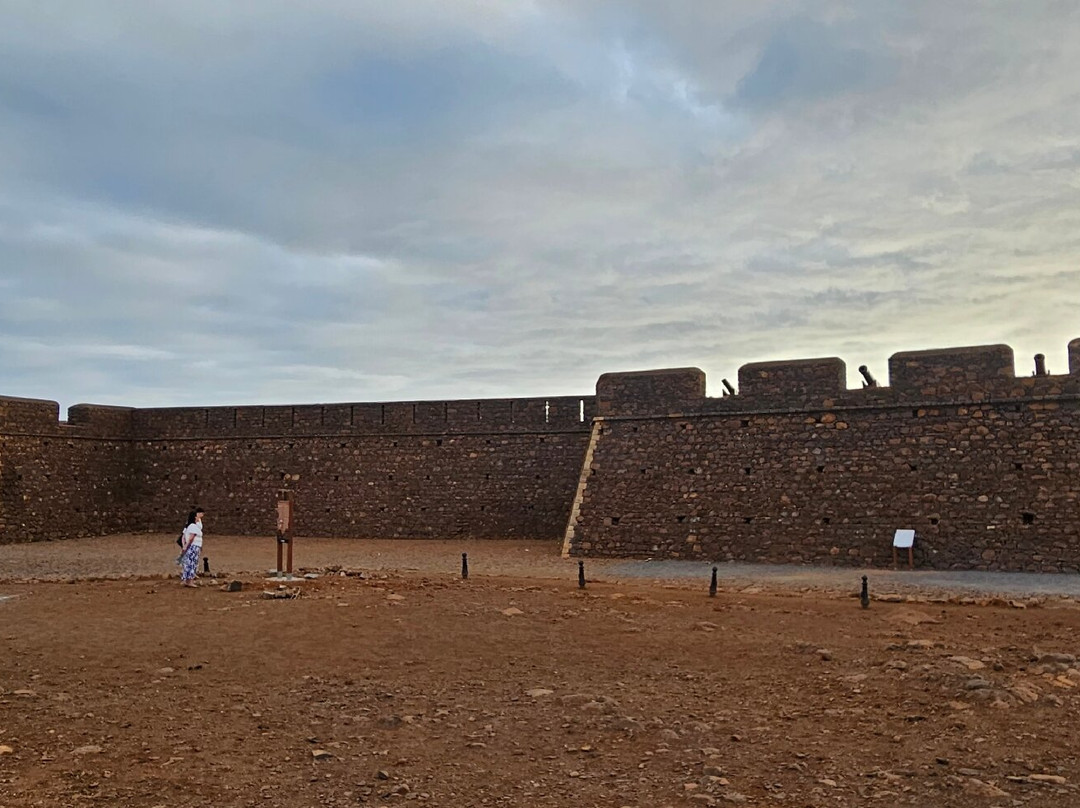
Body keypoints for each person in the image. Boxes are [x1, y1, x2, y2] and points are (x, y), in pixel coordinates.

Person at [179, 507, 205, 588]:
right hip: (193, 547)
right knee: (192, 563)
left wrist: (184, 546)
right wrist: (186, 546)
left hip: (192, 546)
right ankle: (190, 581)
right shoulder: (193, 526)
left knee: (189, 563)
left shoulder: (189, 526)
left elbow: (184, 537)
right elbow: (191, 538)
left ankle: (186, 580)